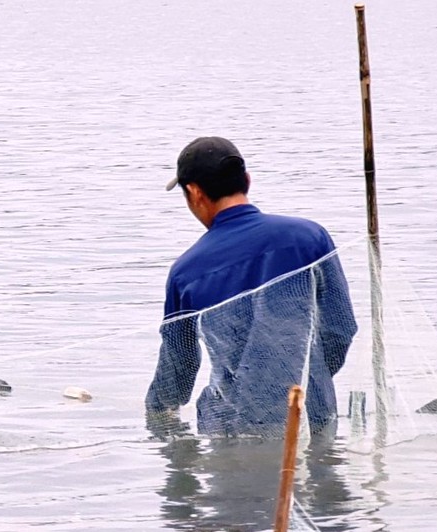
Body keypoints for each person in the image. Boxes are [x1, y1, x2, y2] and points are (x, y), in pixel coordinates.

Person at [146, 136, 356, 435]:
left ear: (194, 192)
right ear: (246, 180)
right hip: (311, 413)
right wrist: (308, 381)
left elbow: (178, 368)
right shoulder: (309, 237)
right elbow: (341, 328)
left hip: (231, 426)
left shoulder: (186, 271)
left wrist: (156, 414)